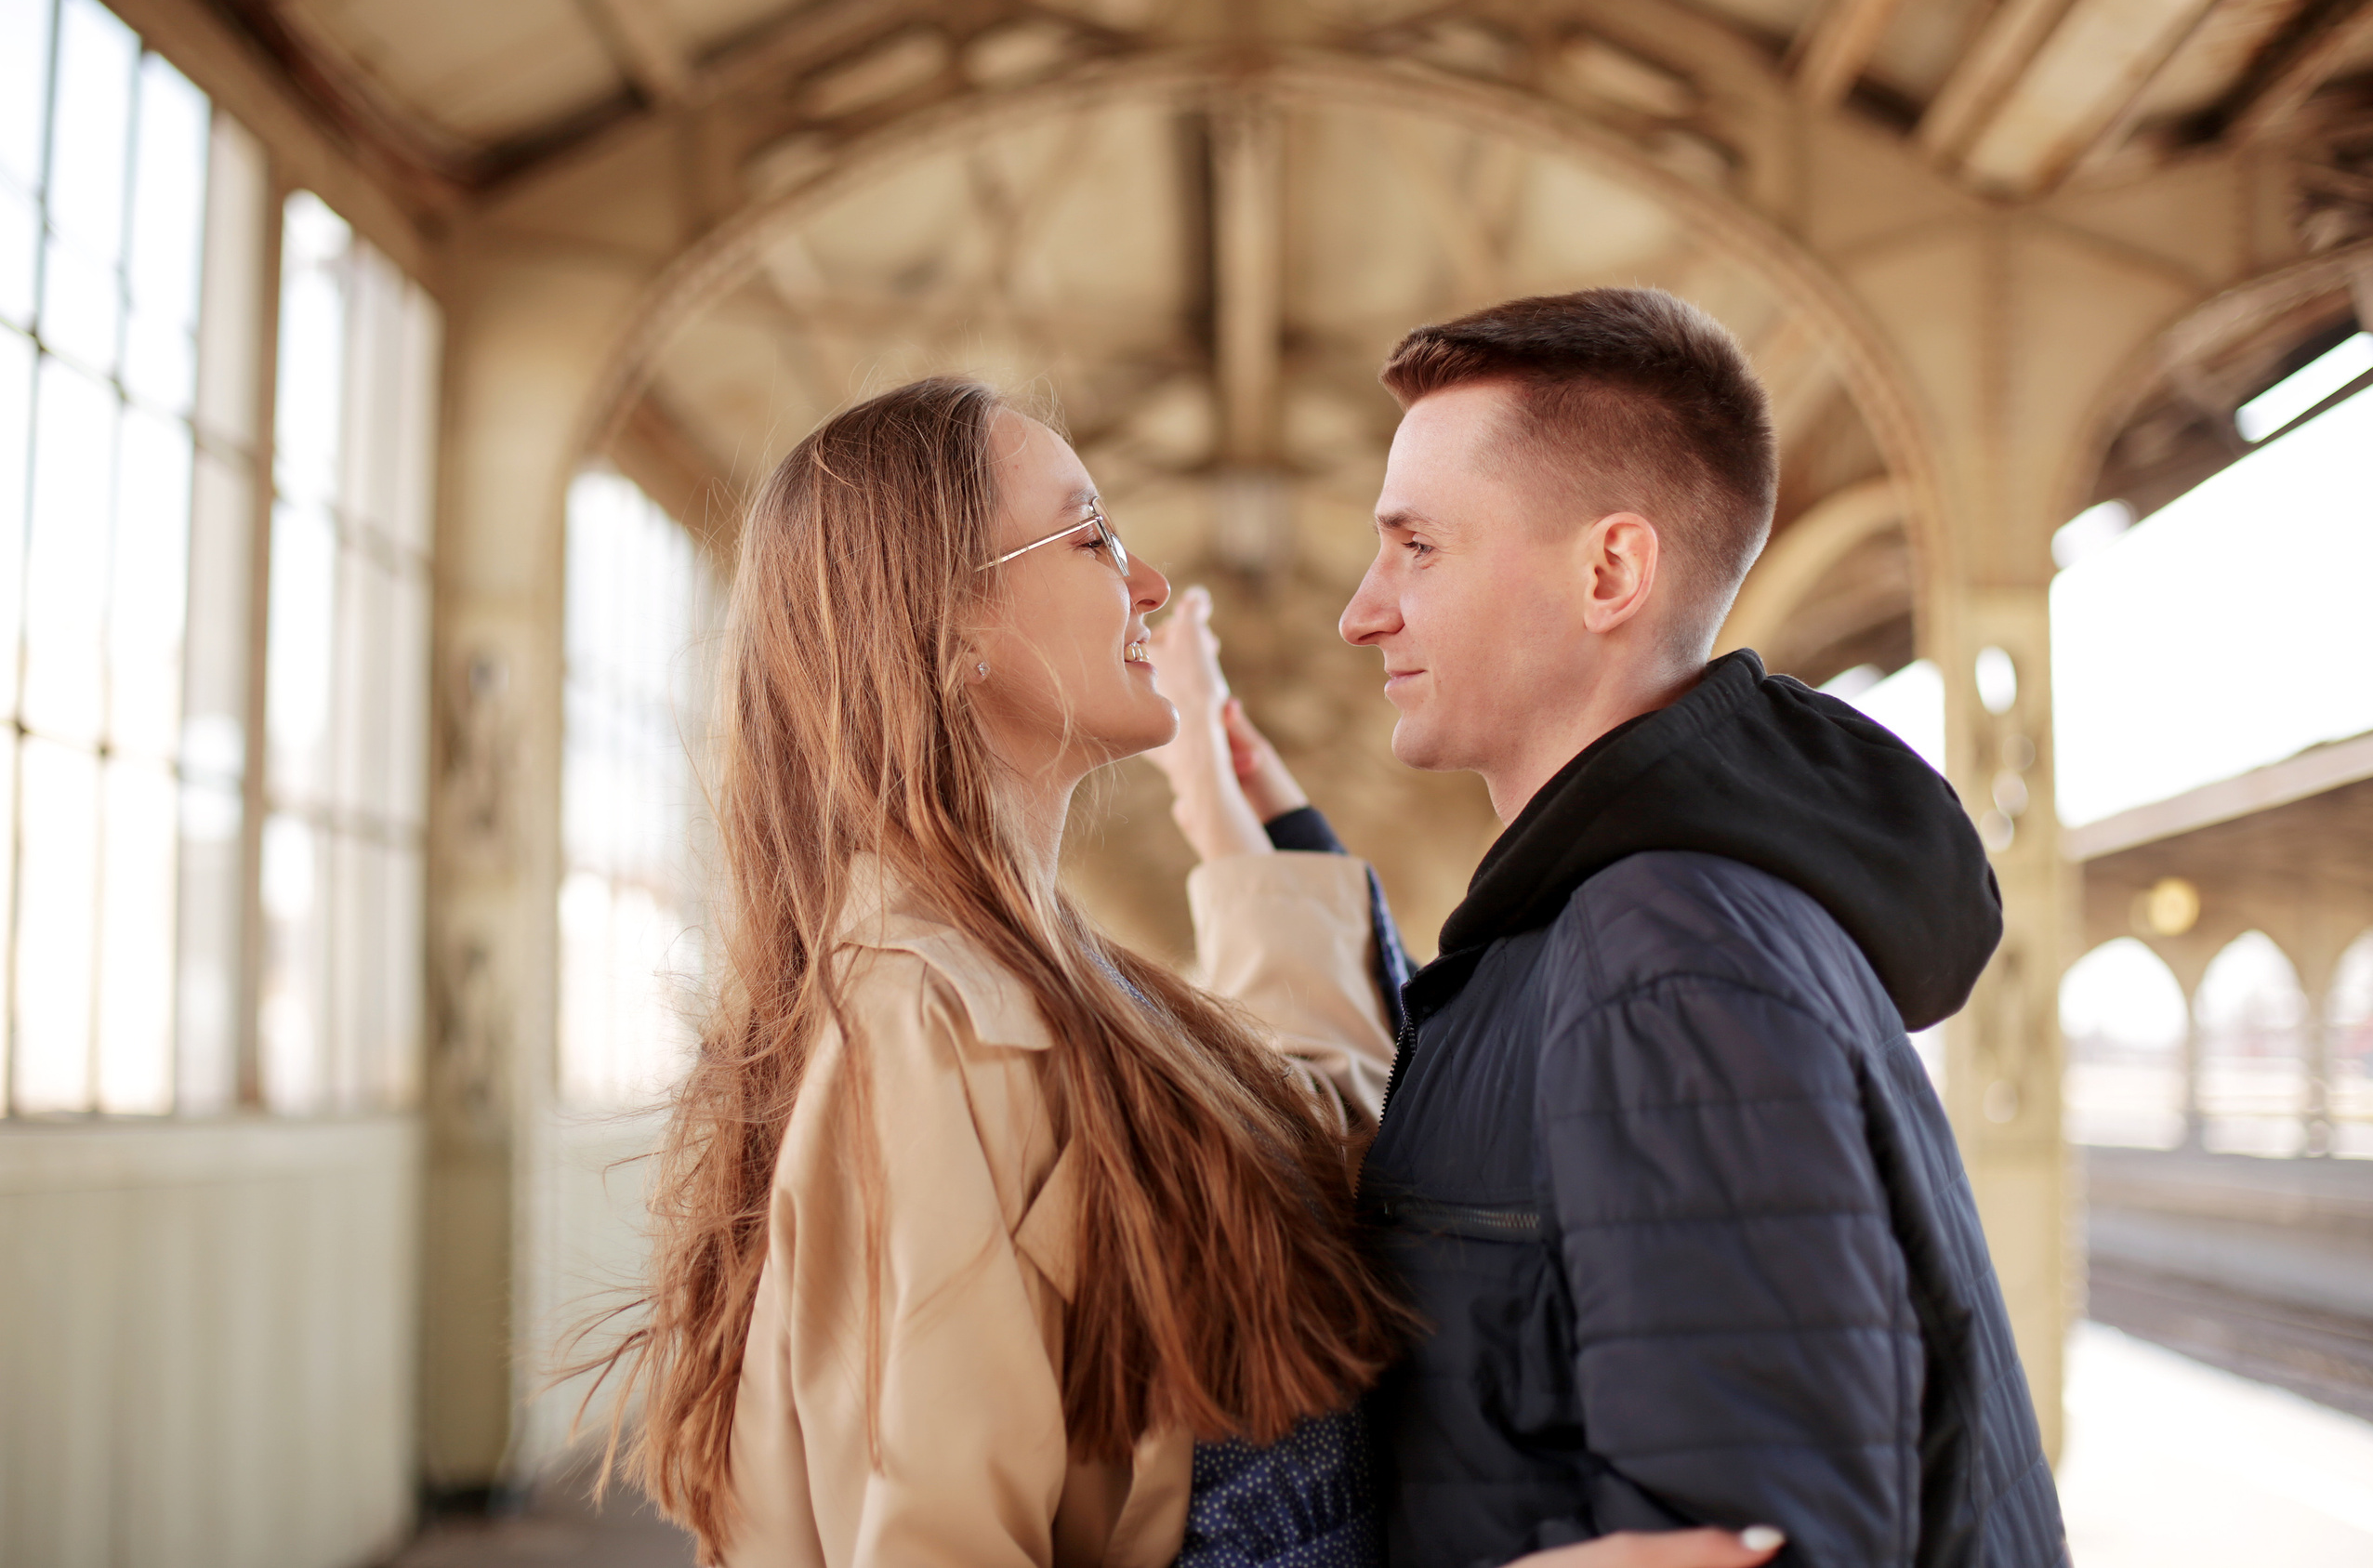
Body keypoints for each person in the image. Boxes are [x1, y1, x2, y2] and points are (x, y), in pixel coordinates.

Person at [583, 376, 1787, 1568]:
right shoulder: (928, 1018)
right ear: (946, 627)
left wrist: (1231, 817)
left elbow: (1317, 1139)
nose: (1149, 583)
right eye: (1093, 536)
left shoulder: (1025, 976)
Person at [1283, 286, 2068, 1567]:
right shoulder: (1622, 929)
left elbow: (1761, 1551)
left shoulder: (1666, 955)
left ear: (1610, 571)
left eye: (1418, 547)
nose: (1363, 610)